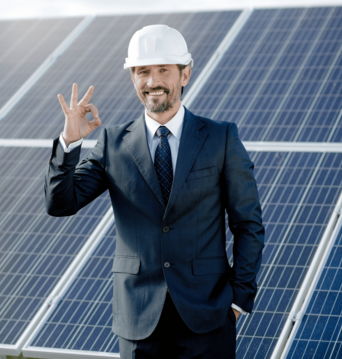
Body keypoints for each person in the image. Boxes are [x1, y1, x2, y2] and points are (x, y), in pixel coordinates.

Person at [45, 24, 264, 359]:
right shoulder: (112, 143)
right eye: (143, 71)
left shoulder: (221, 138)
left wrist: (237, 300)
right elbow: (60, 203)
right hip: (138, 322)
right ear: (133, 77)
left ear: (185, 74)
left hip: (208, 317)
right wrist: (69, 142)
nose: (152, 82)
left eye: (163, 69)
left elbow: (248, 225)